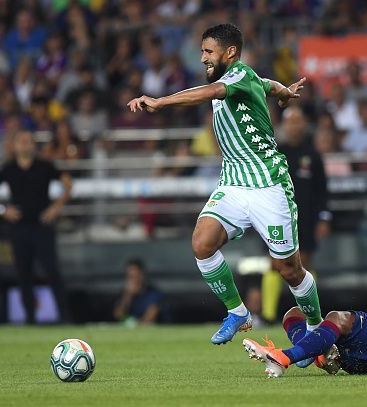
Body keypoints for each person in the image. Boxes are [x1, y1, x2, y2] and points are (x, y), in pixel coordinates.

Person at [127, 23, 323, 346]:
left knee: (289, 269)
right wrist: (284, 91)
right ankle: (238, 312)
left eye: (208, 51)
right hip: (233, 183)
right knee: (202, 243)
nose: (203, 58)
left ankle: (317, 327)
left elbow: (212, 92)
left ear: (229, 53)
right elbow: (267, 84)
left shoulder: (235, 78)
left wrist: (161, 102)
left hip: (268, 186)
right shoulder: (247, 79)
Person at [0, 130, 72, 324]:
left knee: (52, 271)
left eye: (28, 141)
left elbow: (67, 183)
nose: (25, 145)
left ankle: (64, 317)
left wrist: (56, 207)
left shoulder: (45, 166)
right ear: (15, 146)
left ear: (34, 145)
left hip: (42, 226)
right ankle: (30, 319)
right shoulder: (9, 168)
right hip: (19, 227)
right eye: (21, 141)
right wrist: (2, 210)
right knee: (24, 274)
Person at [262, 106, 331, 324]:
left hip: (307, 218)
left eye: (298, 121)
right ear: (283, 126)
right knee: (274, 264)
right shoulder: (275, 153)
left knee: (305, 265)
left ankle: (312, 315)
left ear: (304, 125)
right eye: (290, 122)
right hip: (277, 218)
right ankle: (268, 315)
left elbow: (322, 191)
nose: (294, 126)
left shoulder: (313, 156)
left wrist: (324, 218)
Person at [113, 259, 163, 325]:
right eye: (130, 277)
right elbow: (118, 315)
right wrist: (127, 296)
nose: (134, 280)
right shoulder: (124, 294)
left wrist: (134, 324)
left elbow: (149, 317)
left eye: (136, 276)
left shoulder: (153, 294)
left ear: (142, 275)